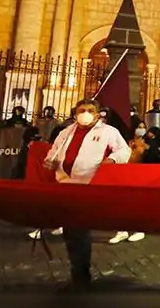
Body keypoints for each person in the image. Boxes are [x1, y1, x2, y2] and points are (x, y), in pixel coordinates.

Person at [43, 99, 131, 291]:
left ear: (98, 114)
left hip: (90, 186)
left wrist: (112, 159)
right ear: (75, 113)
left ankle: (80, 277)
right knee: (72, 233)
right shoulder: (65, 133)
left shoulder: (108, 132)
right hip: (66, 185)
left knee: (78, 231)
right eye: (81, 110)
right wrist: (49, 161)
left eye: (90, 110)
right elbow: (53, 152)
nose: (85, 113)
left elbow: (124, 150)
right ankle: (79, 273)